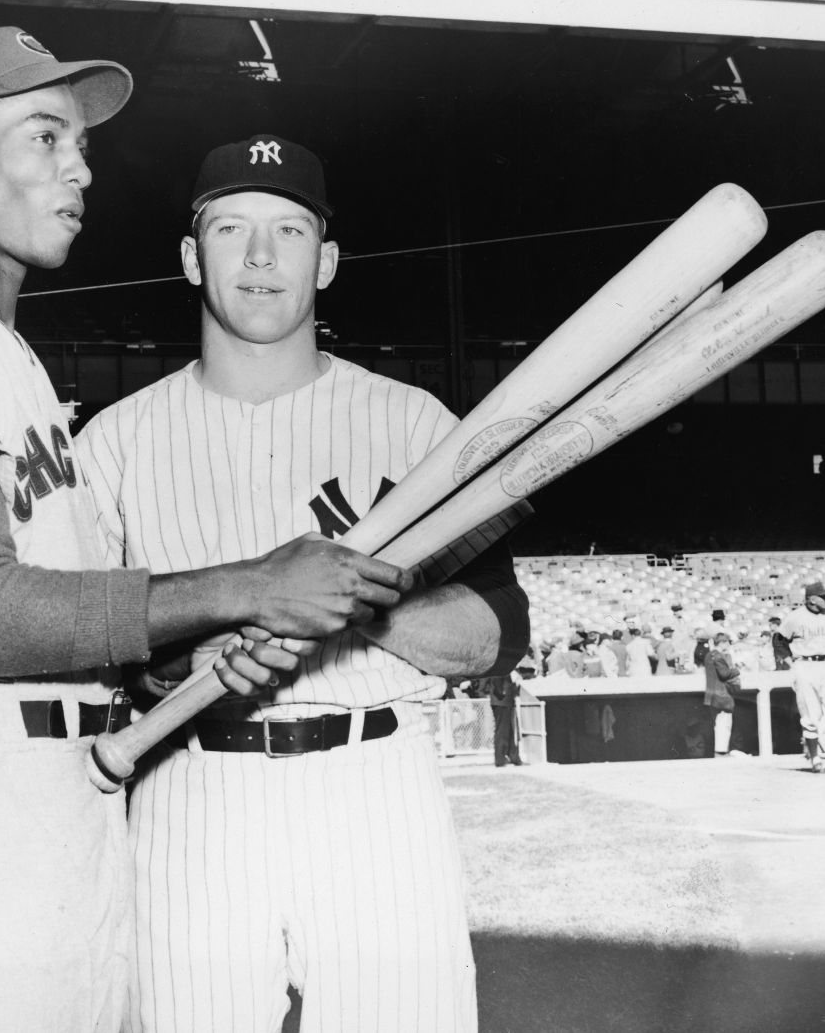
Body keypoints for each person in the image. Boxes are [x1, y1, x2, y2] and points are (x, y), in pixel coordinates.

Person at [0, 44, 408, 1033]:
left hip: (52, 791)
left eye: (80, 142)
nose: (83, 167)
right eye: (45, 136)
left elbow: (59, 609)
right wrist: (245, 587)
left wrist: (175, 661)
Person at [76, 135, 530, 1033]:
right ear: (188, 256)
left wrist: (360, 603)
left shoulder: (413, 426)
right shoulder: (114, 445)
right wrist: (173, 663)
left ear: (323, 262)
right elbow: (81, 645)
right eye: (230, 227)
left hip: (375, 789)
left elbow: (498, 632)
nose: (258, 256)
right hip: (190, 790)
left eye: (287, 230)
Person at [782, 580, 825, 774]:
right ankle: (815, 759)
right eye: (822, 596)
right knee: (810, 714)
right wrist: (792, 664)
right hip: (804, 664)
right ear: (811, 599)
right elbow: (778, 641)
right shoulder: (795, 617)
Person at [701, 630, 743, 757]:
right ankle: (721, 752)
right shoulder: (718, 656)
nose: (728, 645)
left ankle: (719, 751)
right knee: (724, 725)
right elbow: (724, 674)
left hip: (711, 694)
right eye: (727, 642)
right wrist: (737, 669)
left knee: (717, 724)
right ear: (723, 643)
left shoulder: (709, 655)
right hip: (722, 695)